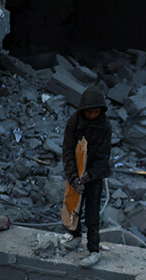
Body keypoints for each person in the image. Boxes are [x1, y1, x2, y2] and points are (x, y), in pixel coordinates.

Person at [62, 86, 112, 268]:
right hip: (76, 169)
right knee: (73, 206)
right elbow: (67, 150)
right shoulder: (74, 122)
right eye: (89, 112)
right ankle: (75, 236)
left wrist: (89, 176)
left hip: (95, 174)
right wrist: (74, 176)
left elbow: (103, 157)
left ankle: (93, 250)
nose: (92, 115)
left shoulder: (105, 126)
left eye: (96, 112)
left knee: (92, 214)